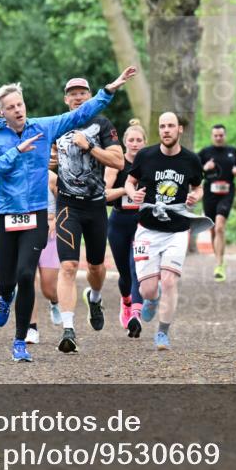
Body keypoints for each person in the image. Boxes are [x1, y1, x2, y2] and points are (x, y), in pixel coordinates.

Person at [0, 66, 136, 362]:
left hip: (37, 213)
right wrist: (16, 153)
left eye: (20, 104)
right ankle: (3, 297)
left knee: (27, 275)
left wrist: (110, 89)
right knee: (7, 281)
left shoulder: (43, 127)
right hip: (5, 213)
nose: (18, 110)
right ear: (2, 113)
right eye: (11, 107)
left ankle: (20, 342)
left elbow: (78, 115)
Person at [124, 112, 210, 350]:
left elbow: (198, 187)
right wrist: (133, 194)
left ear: (180, 129)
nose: (166, 130)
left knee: (170, 280)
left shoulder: (191, 160)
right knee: (147, 289)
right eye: (162, 126)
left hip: (177, 229)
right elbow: (129, 182)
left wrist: (195, 196)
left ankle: (162, 333)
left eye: (171, 126)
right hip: (147, 229)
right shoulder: (145, 156)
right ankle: (152, 299)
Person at [52, 76, 124, 354]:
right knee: (68, 266)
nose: (78, 97)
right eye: (73, 94)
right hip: (67, 205)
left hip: (95, 205)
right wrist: (49, 162)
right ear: (65, 99)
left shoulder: (103, 125)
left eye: (83, 93)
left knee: (95, 266)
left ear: (91, 96)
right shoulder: (58, 124)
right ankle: (68, 329)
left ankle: (94, 298)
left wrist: (90, 147)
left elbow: (119, 161)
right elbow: (49, 160)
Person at [104, 119, 147, 337]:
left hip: (142, 224)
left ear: (145, 142)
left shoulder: (150, 163)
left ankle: (135, 316)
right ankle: (127, 301)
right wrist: (126, 190)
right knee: (124, 273)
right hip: (119, 222)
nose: (135, 143)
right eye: (131, 140)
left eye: (139, 140)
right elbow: (104, 195)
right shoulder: (116, 164)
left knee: (136, 268)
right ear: (124, 142)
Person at [198, 124, 236, 281]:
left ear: (225, 135)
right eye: (216, 135)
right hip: (210, 193)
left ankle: (219, 264)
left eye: (221, 135)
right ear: (212, 136)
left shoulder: (232, 151)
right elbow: (194, 171)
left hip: (227, 192)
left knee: (220, 227)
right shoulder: (205, 152)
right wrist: (205, 167)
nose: (218, 138)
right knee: (213, 229)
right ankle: (218, 258)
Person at [26, 171, 62, 345]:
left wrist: (56, 220)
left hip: (50, 235)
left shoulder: (52, 178)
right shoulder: (18, 173)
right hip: (26, 230)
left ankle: (54, 301)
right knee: (27, 279)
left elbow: (64, 205)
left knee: (48, 288)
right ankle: (31, 327)